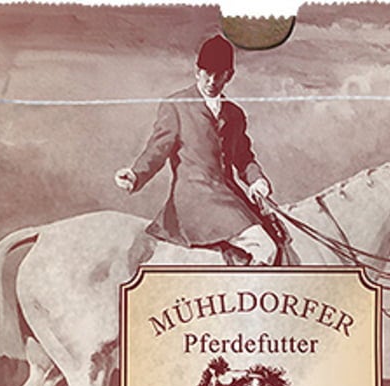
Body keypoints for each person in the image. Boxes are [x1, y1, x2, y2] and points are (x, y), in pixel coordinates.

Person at [114, 34, 280, 265]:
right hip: (194, 199)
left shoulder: (234, 114)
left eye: (219, 75)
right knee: (265, 248)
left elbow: (243, 158)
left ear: (229, 76)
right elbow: (157, 150)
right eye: (207, 73)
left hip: (229, 198)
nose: (212, 81)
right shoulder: (176, 106)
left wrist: (257, 181)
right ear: (197, 71)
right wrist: (135, 175)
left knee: (278, 235)